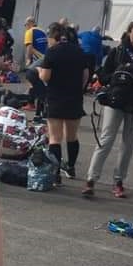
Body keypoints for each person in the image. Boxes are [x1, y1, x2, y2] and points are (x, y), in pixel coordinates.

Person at [83, 19, 133, 199]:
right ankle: (91, 179)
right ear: (129, 33)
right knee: (106, 139)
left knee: (129, 143)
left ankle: (119, 181)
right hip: (116, 100)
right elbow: (102, 75)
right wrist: (120, 77)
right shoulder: (118, 51)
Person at [37, 23, 89, 182]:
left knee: (55, 137)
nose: (48, 42)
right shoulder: (79, 52)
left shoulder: (52, 52)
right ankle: (71, 167)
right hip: (74, 97)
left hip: (56, 97)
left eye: (49, 39)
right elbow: (85, 75)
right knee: (72, 136)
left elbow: (45, 76)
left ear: (54, 37)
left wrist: (39, 71)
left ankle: (55, 173)